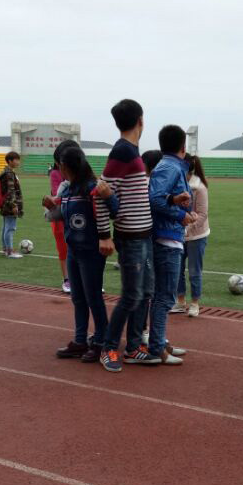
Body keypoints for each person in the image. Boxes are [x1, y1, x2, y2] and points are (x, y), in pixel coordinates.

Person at [45, 146, 117, 362]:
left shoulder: (92, 188)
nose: (59, 169)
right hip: (73, 251)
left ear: (66, 166)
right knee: (78, 298)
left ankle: (101, 341)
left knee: (93, 297)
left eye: (60, 165)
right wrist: (50, 207)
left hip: (91, 252)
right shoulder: (67, 190)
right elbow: (59, 216)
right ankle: (79, 340)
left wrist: (110, 197)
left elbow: (115, 211)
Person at [94, 99, 151, 373]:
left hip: (143, 235)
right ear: (141, 120)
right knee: (131, 296)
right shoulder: (123, 152)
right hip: (131, 237)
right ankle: (109, 347)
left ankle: (133, 346)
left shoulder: (131, 152)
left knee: (144, 293)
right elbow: (100, 193)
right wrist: (104, 235)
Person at [144, 125, 195, 365]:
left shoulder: (171, 166)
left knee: (163, 295)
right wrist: (181, 215)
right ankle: (157, 347)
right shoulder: (170, 167)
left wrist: (184, 212)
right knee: (165, 297)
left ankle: (160, 341)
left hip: (169, 237)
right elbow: (155, 200)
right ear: (183, 146)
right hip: (166, 239)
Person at [174, 154, 210, 318]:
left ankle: (195, 303)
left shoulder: (199, 188)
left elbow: (202, 214)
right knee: (178, 270)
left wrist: (187, 228)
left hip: (196, 236)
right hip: (179, 235)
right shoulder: (177, 185)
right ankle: (180, 301)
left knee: (194, 271)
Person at [49, 142, 76, 293]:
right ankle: (67, 279)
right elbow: (57, 196)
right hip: (61, 215)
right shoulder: (55, 173)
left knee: (84, 247)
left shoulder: (84, 173)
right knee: (63, 248)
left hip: (78, 215)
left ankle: (89, 279)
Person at [0, 151, 24, 258]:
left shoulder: (6, 172)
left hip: (6, 204)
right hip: (10, 205)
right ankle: (10, 252)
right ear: (10, 161)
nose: (18, 162)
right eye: (16, 159)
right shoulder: (9, 174)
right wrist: (14, 205)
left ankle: (5, 249)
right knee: (10, 228)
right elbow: (11, 191)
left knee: (5, 227)